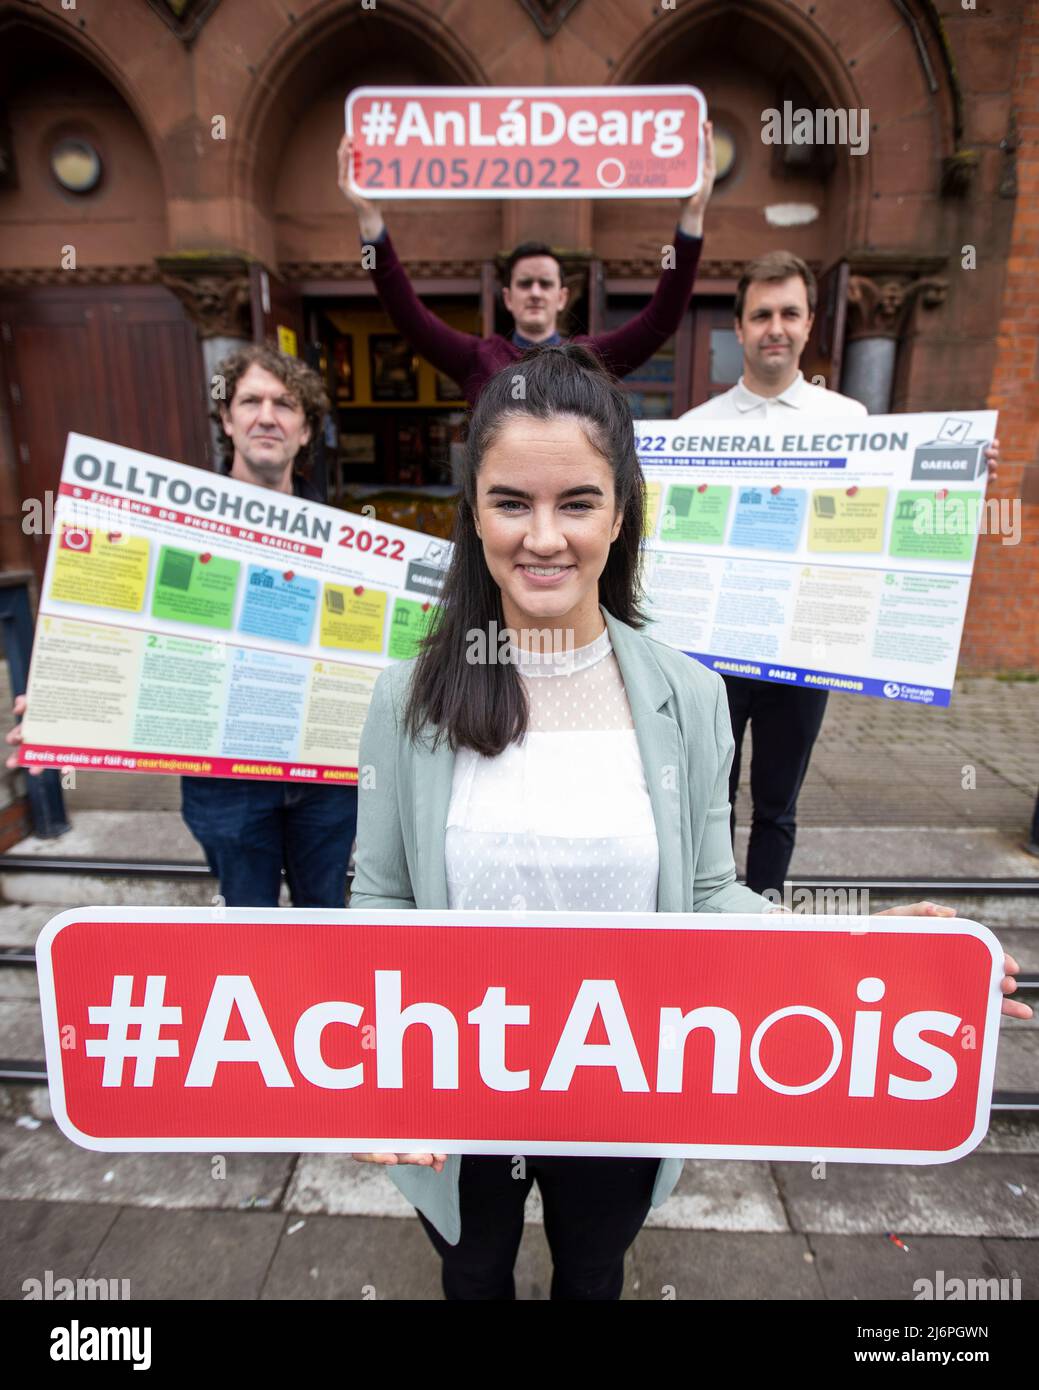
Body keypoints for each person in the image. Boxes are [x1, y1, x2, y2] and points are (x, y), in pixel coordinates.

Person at [345, 345, 1028, 1301]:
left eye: (576, 501)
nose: (544, 536)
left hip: (620, 1079)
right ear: (474, 512)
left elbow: (709, 892)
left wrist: (864, 955)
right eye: (511, 501)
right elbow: (379, 892)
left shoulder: (689, 696)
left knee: (591, 1272)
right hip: (454, 1083)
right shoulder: (403, 697)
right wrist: (378, 1072)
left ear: (620, 513)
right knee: (473, 1273)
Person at [676, 252, 1001, 898]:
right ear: (737, 328)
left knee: (777, 802)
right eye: (760, 314)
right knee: (709, 797)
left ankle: (765, 921)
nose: (775, 326)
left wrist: (962, 472)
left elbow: (891, 508)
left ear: (809, 325)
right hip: (713, 654)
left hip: (805, 649)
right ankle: (710, 910)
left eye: (788, 313)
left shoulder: (848, 421)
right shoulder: (693, 430)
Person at [7, 345, 359, 910]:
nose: (266, 415)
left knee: (326, 920)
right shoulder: (168, 530)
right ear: (227, 419)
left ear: (306, 429)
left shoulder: (352, 549)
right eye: (250, 401)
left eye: (285, 404)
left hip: (325, 786)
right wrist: (63, 711)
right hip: (227, 786)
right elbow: (121, 632)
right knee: (247, 927)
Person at [336, 126, 717, 403]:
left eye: (545, 284)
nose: (535, 292)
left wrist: (692, 219)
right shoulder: (478, 358)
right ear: (507, 297)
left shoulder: (589, 359)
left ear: (562, 296)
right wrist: (370, 220)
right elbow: (410, 317)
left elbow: (660, 320)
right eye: (525, 284)